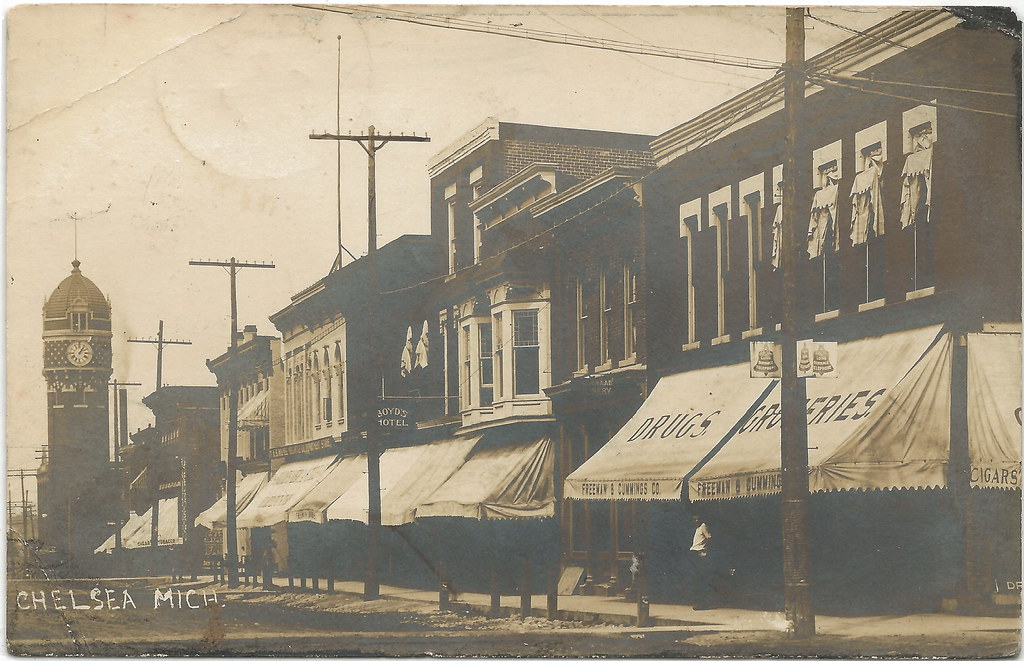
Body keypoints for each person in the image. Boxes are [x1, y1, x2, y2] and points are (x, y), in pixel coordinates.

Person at [689, 514, 713, 609]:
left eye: (697, 519)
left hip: (699, 553)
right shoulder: (698, 528)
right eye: (694, 519)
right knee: (696, 578)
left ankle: (702, 604)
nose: (695, 521)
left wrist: (705, 551)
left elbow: (710, 538)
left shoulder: (703, 526)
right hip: (694, 553)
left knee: (700, 578)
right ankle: (698, 602)